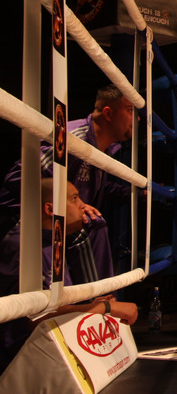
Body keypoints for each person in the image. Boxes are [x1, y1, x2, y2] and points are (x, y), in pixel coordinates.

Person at [0, 179, 138, 372]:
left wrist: (90, 306)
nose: (83, 205)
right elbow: (35, 319)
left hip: (42, 350)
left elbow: (50, 304)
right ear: (50, 209)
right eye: (74, 198)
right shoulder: (25, 247)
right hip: (21, 363)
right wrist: (103, 308)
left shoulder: (50, 239)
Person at [0, 85, 136, 232]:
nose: (137, 118)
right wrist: (71, 205)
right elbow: (18, 179)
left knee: (93, 223)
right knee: (96, 225)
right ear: (108, 113)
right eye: (130, 110)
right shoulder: (72, 141)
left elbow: (89, 186)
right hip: (21, 224)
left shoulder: (105, 147)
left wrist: (139, 193)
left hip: (55, 226)